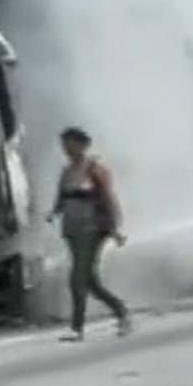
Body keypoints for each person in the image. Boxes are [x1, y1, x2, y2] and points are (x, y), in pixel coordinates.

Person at [50, 127, 131, 341]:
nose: (66, 149)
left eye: (70, 144)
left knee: (77, 277)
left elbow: (107, 198)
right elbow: (61, 197)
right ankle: (121, 311)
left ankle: (77, 328)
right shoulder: (67, 172)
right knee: (90, 282)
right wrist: (53, 213)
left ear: (83, 145)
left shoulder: (94, 169)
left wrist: (114, 229)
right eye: (64, 144)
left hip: (92, 229)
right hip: (72, 230)